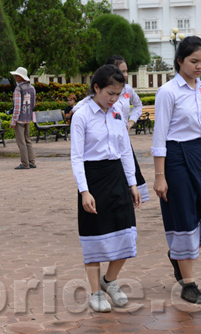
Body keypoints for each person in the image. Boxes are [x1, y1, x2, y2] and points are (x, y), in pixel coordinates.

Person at [152, 36, 201, 304]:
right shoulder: (168, 92)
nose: (199, 67)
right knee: (183, 215)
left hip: (200, 155)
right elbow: (159, 137)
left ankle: (177, 255)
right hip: (175, 159)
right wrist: (159, 177)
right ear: (179, 61)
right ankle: (189, 283)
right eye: (194, 61)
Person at [71, 64, 141, 312]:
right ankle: (95, 292)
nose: (114, 99)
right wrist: (84, 191)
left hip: (117, 176)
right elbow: (77, 157)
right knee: (94, 238)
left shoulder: (117, 113)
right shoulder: (81, 115)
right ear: (96, 87)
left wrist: (132, 183)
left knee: (127, 234)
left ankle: (109, 281)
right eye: (110, 93)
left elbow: (124, 150)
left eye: (119, 94)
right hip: (93, 179)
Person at [105, 55, 149, 203]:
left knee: (129, 168)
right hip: (107, 140)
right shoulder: (103, 91)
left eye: (126, 71)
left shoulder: (127, 89)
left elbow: (138, 105)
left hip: (123, 138)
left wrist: (130, 122)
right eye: (121, 71)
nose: (125, 75)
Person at [9, 67, 36, 170]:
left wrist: (13, 121)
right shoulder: (32, 88)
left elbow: (17, 107)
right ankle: (32, 161)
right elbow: (33, 104)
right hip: (28, 117)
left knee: (21, 142)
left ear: (20, 77)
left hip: (20, 119)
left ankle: (25, 163)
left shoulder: (18, 89)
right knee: (28, 140)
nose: (15, 77)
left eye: (16, 75)